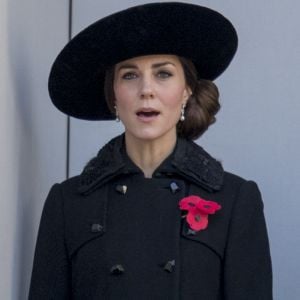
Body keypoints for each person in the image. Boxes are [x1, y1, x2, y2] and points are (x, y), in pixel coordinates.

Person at [28, 2, 272, 299]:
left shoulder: (235, 200)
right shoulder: (67, 204)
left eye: (163, 74)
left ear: (186, 91)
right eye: (129, 75)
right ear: (113, 96)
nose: (146, 89)